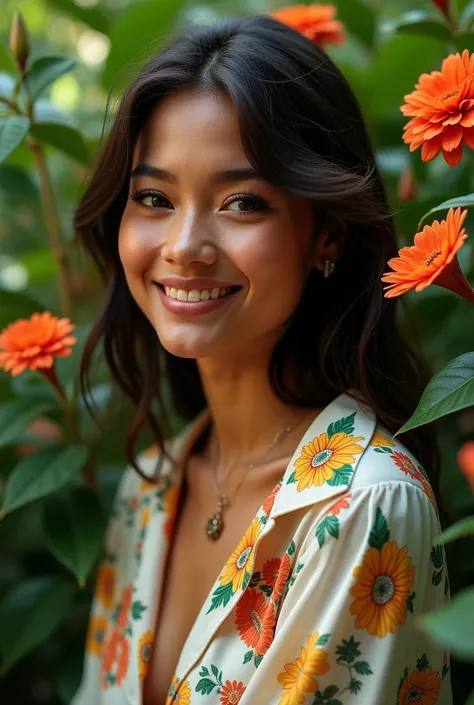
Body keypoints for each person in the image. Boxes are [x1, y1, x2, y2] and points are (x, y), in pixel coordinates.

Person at [71, 13, 453, 705]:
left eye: (242, 202)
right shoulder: (152, 485)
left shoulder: (366, 503)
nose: (185, 244)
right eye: (153, 197)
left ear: (326, 235)